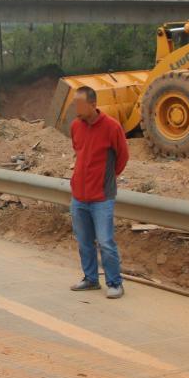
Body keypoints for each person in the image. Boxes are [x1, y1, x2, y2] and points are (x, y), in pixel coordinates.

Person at [68, 86, 130, 299]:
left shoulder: (112, 127)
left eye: (79, 103)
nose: (75, 107)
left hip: (102, 197)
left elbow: (122, 157)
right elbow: (78, 152)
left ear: (93, 104)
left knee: (105, 242)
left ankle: (114, 282)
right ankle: (90, 279)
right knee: (84, 241)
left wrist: (107, 180)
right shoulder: (76, 126)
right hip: (79, 196)